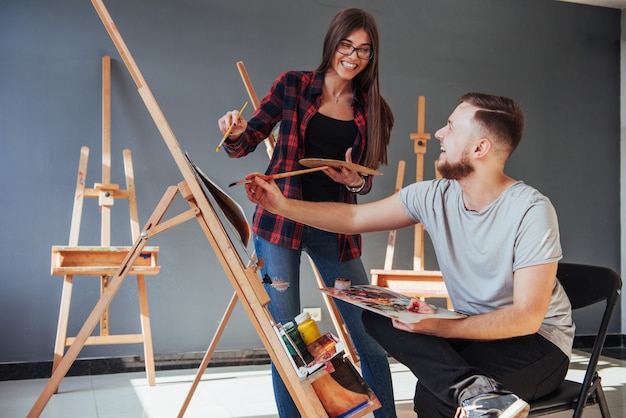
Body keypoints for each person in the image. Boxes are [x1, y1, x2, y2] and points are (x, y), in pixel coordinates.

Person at [243, 92, 574, 418]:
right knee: (376, 316)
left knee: (436, 400)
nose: (438, 134)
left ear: (479, 147)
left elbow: (526, 319)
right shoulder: (433, 195)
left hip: (537, 343)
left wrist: (440, 327)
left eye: (451, 127)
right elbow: (353, 218)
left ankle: (472, 392)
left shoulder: (530, 208)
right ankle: (474, 390)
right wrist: (282, 205)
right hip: (471, 330)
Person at [217, 8, 396, 418]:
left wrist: (352, 179)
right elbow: (244, 143)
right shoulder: (293, 85)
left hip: (335, 227)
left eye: (364, 51)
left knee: (368, 332)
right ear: (332, 44)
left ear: (372, 56)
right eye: (347, 46)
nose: (353, 56)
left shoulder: (373, 107)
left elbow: (365, 180)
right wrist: (235, 130)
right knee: (290, 339)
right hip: (279, 224)